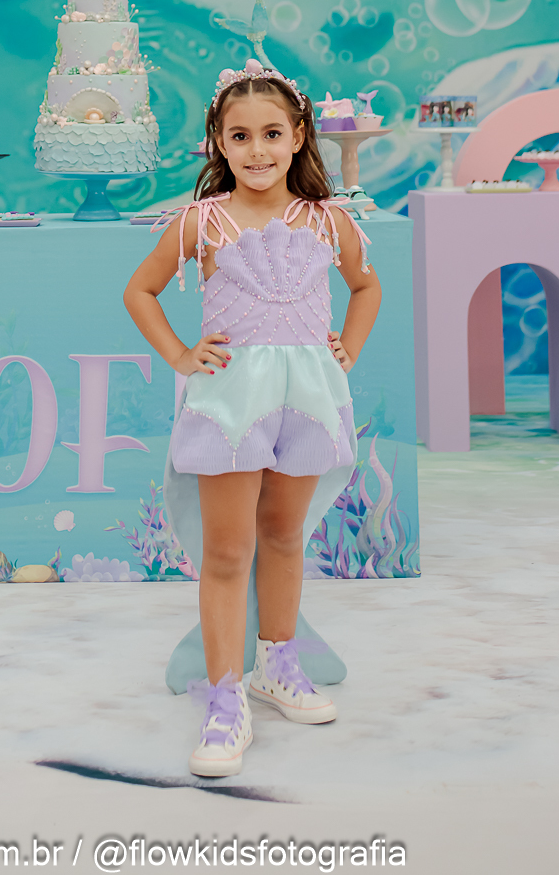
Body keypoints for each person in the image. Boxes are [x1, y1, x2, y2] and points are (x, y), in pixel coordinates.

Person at [123, 57, 381, 778]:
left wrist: (347, 348)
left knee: (284, 535)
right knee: (229, 551)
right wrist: (181, 355)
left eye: (272, 133)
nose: (257, 150)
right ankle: (224, 696)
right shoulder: (199, 222)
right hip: (231, 402)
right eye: (240, 137)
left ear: (298, 136)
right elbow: (140, 291)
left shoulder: (329, 221)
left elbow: (365, 288)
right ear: (219, 141)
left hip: (306, 397)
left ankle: (277, 663)